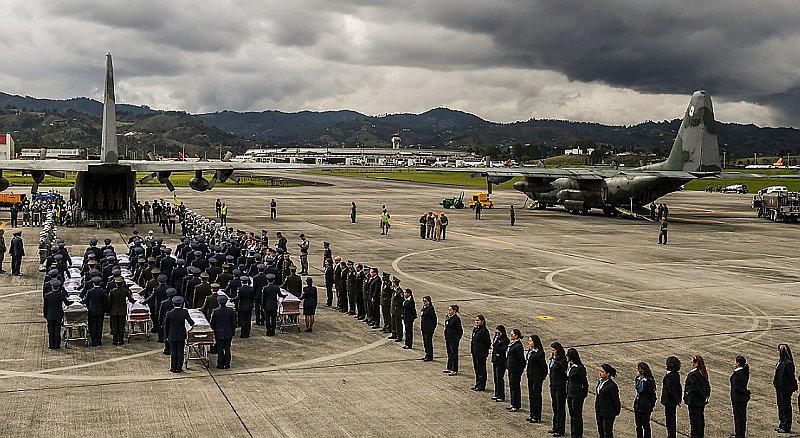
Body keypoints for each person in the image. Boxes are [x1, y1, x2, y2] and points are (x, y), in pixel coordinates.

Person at [163, 296, 195, 373]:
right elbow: (191, 322)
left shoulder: (169, 313)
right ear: (181, 304)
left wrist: (166, 336)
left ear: (173, 304)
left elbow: (166, 326)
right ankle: (179, 368)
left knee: (173, 352)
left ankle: (173, 368)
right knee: (180, 352)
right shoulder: (184, 312)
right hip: (181, 335)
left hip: (172, 335)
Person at [684, 355, 711, 438]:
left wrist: (703, 396)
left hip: (694, 401)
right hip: (701, 402)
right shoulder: (703, 373)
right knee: (700, 421)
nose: (691, 364)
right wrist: (706, 396)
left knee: (694, 423)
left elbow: (695, 388)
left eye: (692, 362)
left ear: (696, 364)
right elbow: (708, 386)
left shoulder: (693, 375)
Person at [774, 344, 797, 433]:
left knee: (786, 407)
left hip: (785, 389)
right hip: (779, 387)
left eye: (778, 350)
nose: (777, 352)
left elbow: (791, 376)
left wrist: (793, 386)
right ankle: (782, 423)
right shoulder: (780, 361)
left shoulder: (788, 363)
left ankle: (786, 426)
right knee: (780, 406)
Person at [566, 348, 589, 438]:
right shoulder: (570, 366)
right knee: (572, 415)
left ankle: (578, 434)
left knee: (577, 416)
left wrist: (583, 394)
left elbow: (584, 383)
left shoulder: (579, 368)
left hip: (577, 394)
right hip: (570, 393)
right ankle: (573, 434)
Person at [43, 279, 72, 349]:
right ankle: (57, 345)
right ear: (58, 287)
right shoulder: (61, 295)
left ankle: (51, 345)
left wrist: (45, 315)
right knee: (57, 330)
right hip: (58, 315)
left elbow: (45, 307)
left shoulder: (47, 295)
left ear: (52, 287)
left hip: (50, 315)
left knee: (50, 330)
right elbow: (67, 303)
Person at [526, 334, 548, 423]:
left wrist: (542, 377)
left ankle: (537, 416)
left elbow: (543, 367)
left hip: (537, 377)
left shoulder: (539, 353)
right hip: (530, 376)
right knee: (531, 396)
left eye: (530, 341)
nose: (529, 342)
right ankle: (532, 414)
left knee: (536, 396)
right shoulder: (530, 351)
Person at [595, 364, 621, 438]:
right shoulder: (600, 382)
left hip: (608, 413)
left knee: (608, 431)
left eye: (602, 372)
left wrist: (616, 411)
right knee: (600, 430)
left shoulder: (612, 386)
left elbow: (616, 400)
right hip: (599, 411)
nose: (600, 373)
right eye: (600, 371)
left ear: (608, 374)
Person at [210, 295, 236, 369]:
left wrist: (214, 329)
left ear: (218, 302)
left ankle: (220, 364)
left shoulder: (215, 311)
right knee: (227, 348)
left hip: (219, 333)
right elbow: (234, 322)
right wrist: (232, 331)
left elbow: (212, 323)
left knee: (220, 349)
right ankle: (227, 364)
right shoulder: (231, 310)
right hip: (228, 332)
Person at [108, 276, 135, 345]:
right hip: (122, 311)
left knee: (115, 327)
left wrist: (109, 311)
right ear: (123, 283)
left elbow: (109, 303)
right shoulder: (125, 291)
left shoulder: (112, 292)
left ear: (116, 284)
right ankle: (121, 340)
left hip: (114, 311)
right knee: (121, 326)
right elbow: (131, 300)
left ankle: (115, 340)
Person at [81, 276, 107, 346]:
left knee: (92, 326)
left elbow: (86, 300)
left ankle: (93, 341)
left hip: (92, 310)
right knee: (99, 326)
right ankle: (99, 341)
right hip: (100, 311)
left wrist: (80, 303)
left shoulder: (90, 291)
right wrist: (105, 310)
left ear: (93, 283)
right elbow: (105, 302)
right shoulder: (103, 292)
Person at [549, 342, 568, 437]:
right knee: (554, 407)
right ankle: (555, 426)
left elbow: (565, 375)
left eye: (554, 350)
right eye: (552, 350)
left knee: (560, 408)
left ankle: (560, 429)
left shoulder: (563, 361)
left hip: (560, 387)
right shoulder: (553, 359)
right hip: (553, 386)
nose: (553, 352)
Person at [634, 362, 657, 438]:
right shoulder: (637, 379)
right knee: (638, 426)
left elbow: (653, 396)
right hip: (638, 404)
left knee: (646, 426)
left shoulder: (648, 382)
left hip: (645, 406)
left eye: (637, 370)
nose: (636, 371)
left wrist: (650, 406)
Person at [662, 356, 682, 438]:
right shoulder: (676, 375)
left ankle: (671, 435)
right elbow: (679, 387)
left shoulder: (668, 377)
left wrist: (676, 399)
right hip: (673, 401)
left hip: (669, 401)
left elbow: (671, 390)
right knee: (672, 418)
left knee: (669, 420)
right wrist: (678, 399)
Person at [506, 328, 526, 413]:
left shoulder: (518, 346)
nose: (510, 336)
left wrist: (520, 369)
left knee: (515, 387)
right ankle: (513, 403)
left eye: (512, 335)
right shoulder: (512, 344)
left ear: (516, 336)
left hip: (515, 370)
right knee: (512, 386)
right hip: (511, 368)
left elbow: (521, 359)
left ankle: (516, 405)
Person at [730, 355, 750, 438]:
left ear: (738, 363)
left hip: (737, 398)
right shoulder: (745, 372)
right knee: (742, 417)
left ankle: (739, 434)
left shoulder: (737, 374)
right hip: (742, 398)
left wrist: (745, 392)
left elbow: (736, 387)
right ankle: (739, 432)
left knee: (738, 417)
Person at [470, 314, 491, 389]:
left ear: (482, 321)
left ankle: (482, 385)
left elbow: (488, 342)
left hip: (481, 353)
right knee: (477, 368)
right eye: (476, 320)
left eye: (478, 320)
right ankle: (477, 383)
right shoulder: (475, 329)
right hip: (475, 352)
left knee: (481, 369)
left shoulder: (484, 330)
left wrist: (484, 351)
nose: (476, 322)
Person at [491, 325, 510, 401]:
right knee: (496, 378)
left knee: (499, 378)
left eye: (499, 333)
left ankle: (501, 395)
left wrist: (497, 346)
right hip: (495, 360)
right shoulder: (496, 339)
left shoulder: (505, 340)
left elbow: (502, 350)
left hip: (501, 362)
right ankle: (496, 393)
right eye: (496, 333)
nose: (497, 334)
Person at [443, 304, 463, 376]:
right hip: (448, 338)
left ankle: (455, 369)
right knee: (449, 353)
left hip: (454, 339)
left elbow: (460, 330)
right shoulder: (448, 317)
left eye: (450, 310)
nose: (449, 311)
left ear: (454, 311)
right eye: (448, 310)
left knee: (454, 354)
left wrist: (457, 338)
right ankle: (449, 367)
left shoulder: (456, 319)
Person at [419, 296, 436, 361]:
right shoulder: (424, 307)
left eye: (425, 301)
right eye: (423, 301)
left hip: (429, 328)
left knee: (428, 342)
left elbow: (434, 319)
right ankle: (427, 354)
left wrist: (432, 327)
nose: (424, 302)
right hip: (424, 327)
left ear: (429, 301)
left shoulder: (430, 308)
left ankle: (430, 356)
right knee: (425, 342)